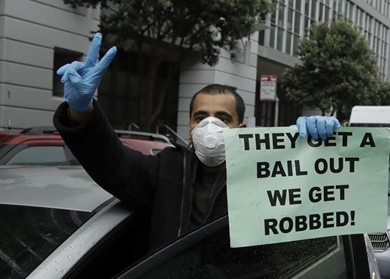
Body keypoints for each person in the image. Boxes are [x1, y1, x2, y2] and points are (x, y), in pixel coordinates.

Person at [53, 33, 339, 252]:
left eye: (222, 118)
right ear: (190, 127)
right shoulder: (165, 169)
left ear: (241, 128)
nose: (209, 125)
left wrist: (316, 147)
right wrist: (82, 109)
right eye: (200, 116)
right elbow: (111, 162)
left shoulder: (263, 173)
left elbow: (312, 210)